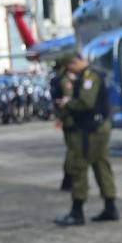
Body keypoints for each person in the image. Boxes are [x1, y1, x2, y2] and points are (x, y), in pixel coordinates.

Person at [54, 53, 118, 227]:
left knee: (79, 166)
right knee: (101, 165)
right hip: (97, 127)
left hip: (90, 130)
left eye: (69, 67)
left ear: (74, 63)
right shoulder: (88, 75)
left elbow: (86, 102)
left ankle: (77, 212)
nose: (69, 72)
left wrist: (67, 104)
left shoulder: (90, 76)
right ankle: (110, 207)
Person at [50, 59, 73, 191]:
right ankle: (68, 180)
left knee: (71, 150)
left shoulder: (56, 80)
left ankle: (67, 180)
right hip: (70, 119)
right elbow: (68, 100)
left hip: (65, 119)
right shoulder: (65, 80)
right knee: (73, 151)